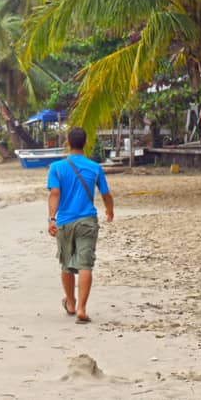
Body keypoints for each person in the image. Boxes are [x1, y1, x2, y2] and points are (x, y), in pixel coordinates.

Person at [47, 127, 114, 325]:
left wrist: (51, 219)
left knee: (66, 263)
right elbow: (106, 194)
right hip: (87, 220)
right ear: (85, 143)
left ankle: (71, 303)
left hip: (65, 222)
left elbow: (55, 194)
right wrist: (110, 210)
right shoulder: (95, 167)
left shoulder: (56, 167)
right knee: (85, 264)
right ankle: (82, 309)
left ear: (68, 142)